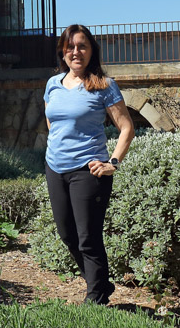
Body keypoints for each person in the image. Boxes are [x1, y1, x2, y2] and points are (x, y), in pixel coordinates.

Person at [43, 24, 134, 305]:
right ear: (63, 51)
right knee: (67, 234)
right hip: (55, 168)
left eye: (82, 46)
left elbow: (126, 127)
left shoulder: (104, 86)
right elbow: (52, 123)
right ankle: (101, 282)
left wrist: (113, 163)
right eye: (70, 47)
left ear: (91, 50)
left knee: (88, 238)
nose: (76, 52)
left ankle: (95, 300)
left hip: (88, 170)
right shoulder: (53, 84)